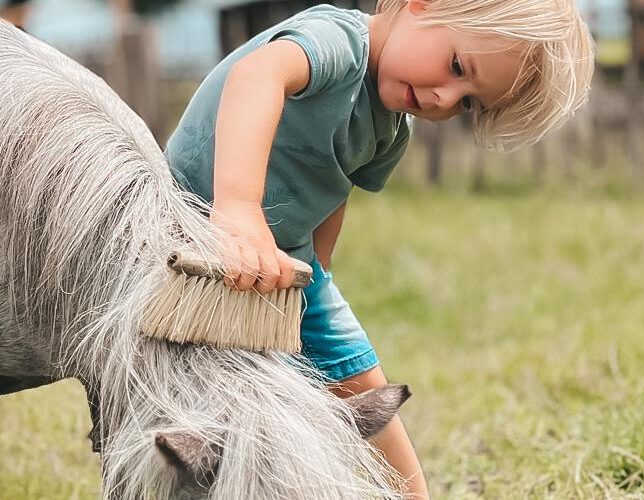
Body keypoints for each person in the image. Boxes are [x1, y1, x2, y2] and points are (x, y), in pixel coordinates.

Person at [165, 0, 593, 497]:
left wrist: (318, 273)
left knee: (362, 377)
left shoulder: (392, 127)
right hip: (193, 223)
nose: (444, 98)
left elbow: (332, 187)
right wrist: (238, 208)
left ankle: (413, 494)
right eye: (457, 67)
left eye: (468, 102)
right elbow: (255, 76)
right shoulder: (338, 44)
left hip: (282, 263)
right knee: (227, 383)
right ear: (423, 5)